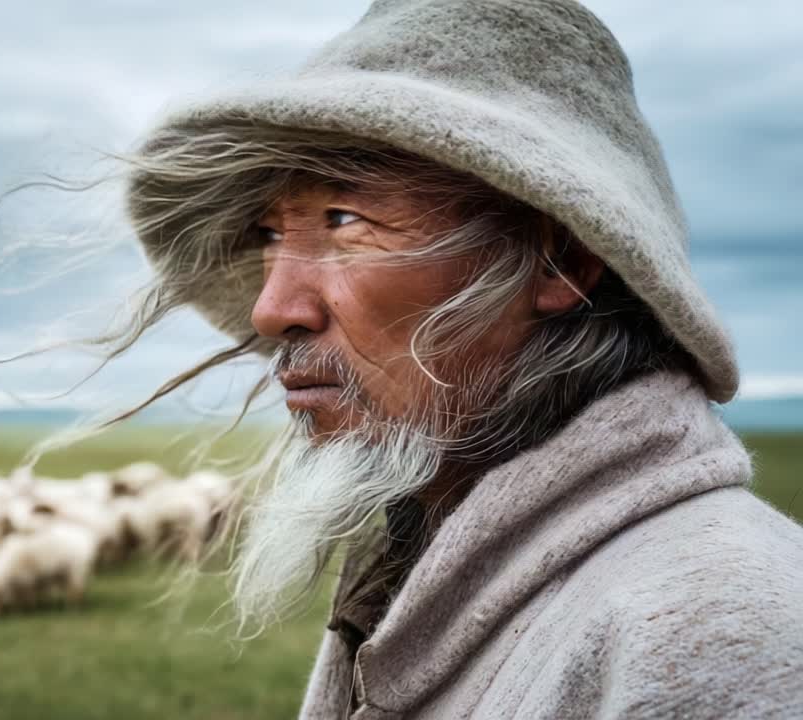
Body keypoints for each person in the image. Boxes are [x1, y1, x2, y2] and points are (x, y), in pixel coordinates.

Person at [101, 0, 803, 717]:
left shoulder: (720, 637)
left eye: (345, 221)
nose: (272, 308)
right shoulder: (432, 567)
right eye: (272, 233)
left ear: (558, 260)